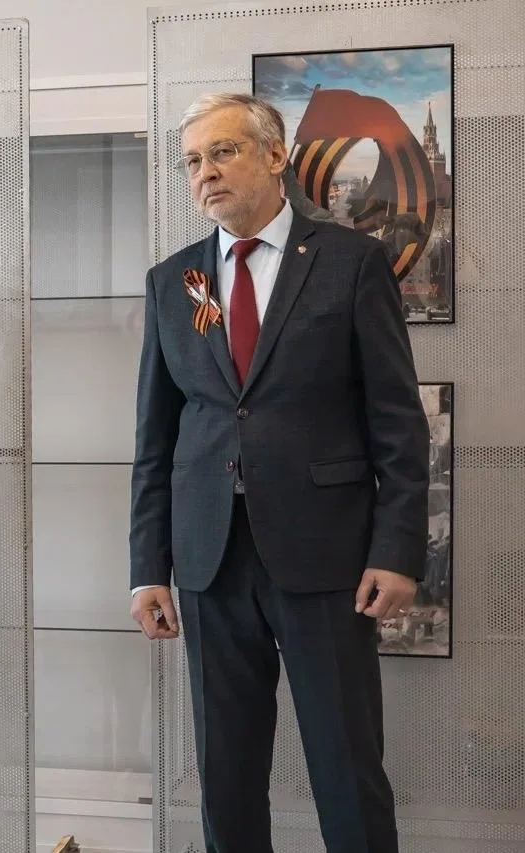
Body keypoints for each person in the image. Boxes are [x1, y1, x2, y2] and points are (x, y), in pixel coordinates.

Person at [128, 92, 429, 853]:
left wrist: (397, 550)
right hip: (208, 559)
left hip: (327, 556)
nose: (205, 172)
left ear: (274, 155)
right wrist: (147, 567)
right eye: (192, 161)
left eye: (222, 152)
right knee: (225, 776)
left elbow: (397, 421)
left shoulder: (351, 262)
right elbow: (155, 438)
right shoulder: (173, 281)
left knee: (346, 767)